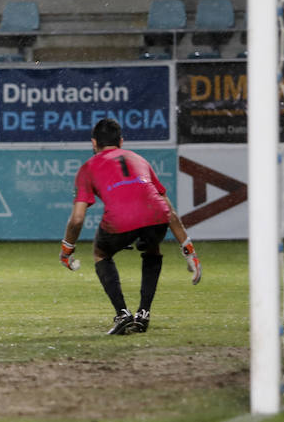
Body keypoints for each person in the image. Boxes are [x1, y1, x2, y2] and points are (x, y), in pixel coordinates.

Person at [58, 118, 202, 336]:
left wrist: (67, 249)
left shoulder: (88, 168)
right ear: (121, 142)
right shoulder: (139, 159)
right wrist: (189, 250)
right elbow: (169, 210)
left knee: (101, 253)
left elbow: (77, 219)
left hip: (121, 221)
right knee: (152, 248)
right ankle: (143, 313)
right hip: (157, 216)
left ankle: (123, 314)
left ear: (94, 143)